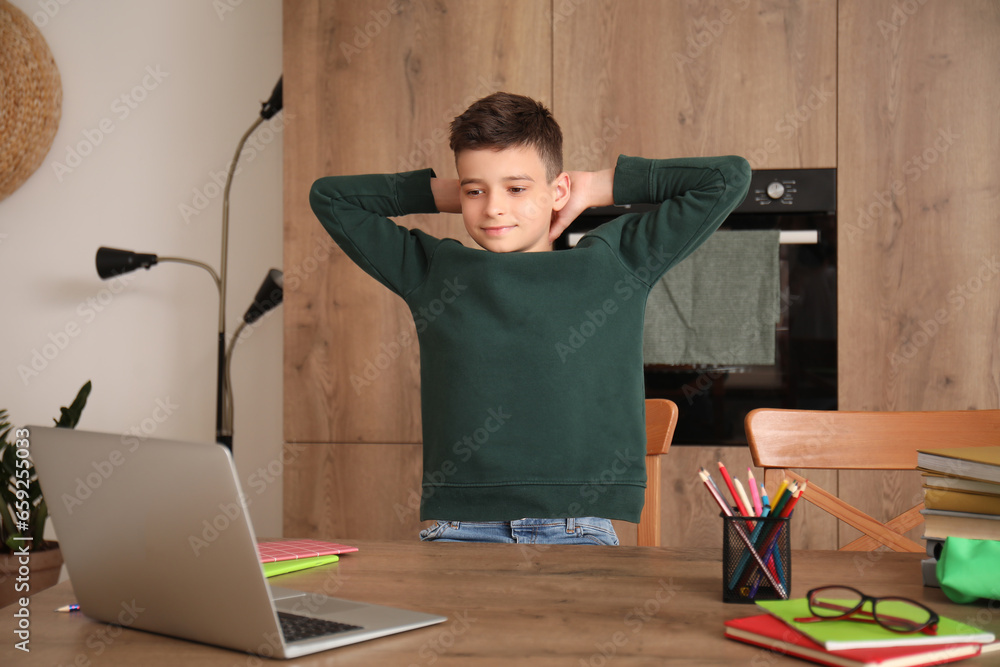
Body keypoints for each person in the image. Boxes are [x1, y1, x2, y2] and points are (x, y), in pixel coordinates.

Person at [310, 91, 751, 545]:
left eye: (516, 188)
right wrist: (447, 191)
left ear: (556, 190)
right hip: (461, 530)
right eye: (476, 191)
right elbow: (330, 197)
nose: (494, 207)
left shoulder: (615, 263)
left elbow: (726, 177)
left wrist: (598, 186)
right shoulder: (435, 271)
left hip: (577, 529)